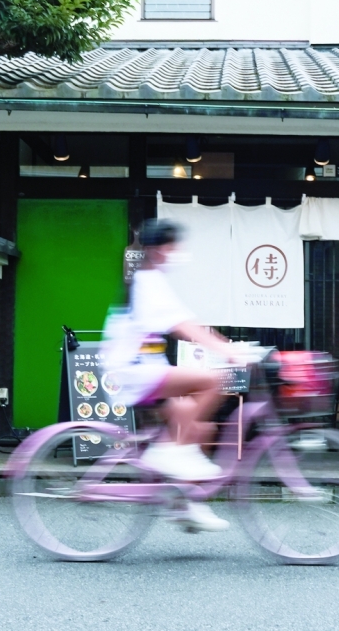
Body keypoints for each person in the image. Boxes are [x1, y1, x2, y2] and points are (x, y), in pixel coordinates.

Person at [101, 219, 234, 532]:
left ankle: (187, 504)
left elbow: (184, 321)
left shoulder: (151, 280)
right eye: (173, 246)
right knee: (214, 381)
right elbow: (184, 326)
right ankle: (168, 452)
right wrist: (227, 349)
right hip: (134, 371)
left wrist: (224, 345)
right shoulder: (147, 282)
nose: (177, 252)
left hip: (143, 371)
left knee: (199, 428)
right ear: (158, 249)